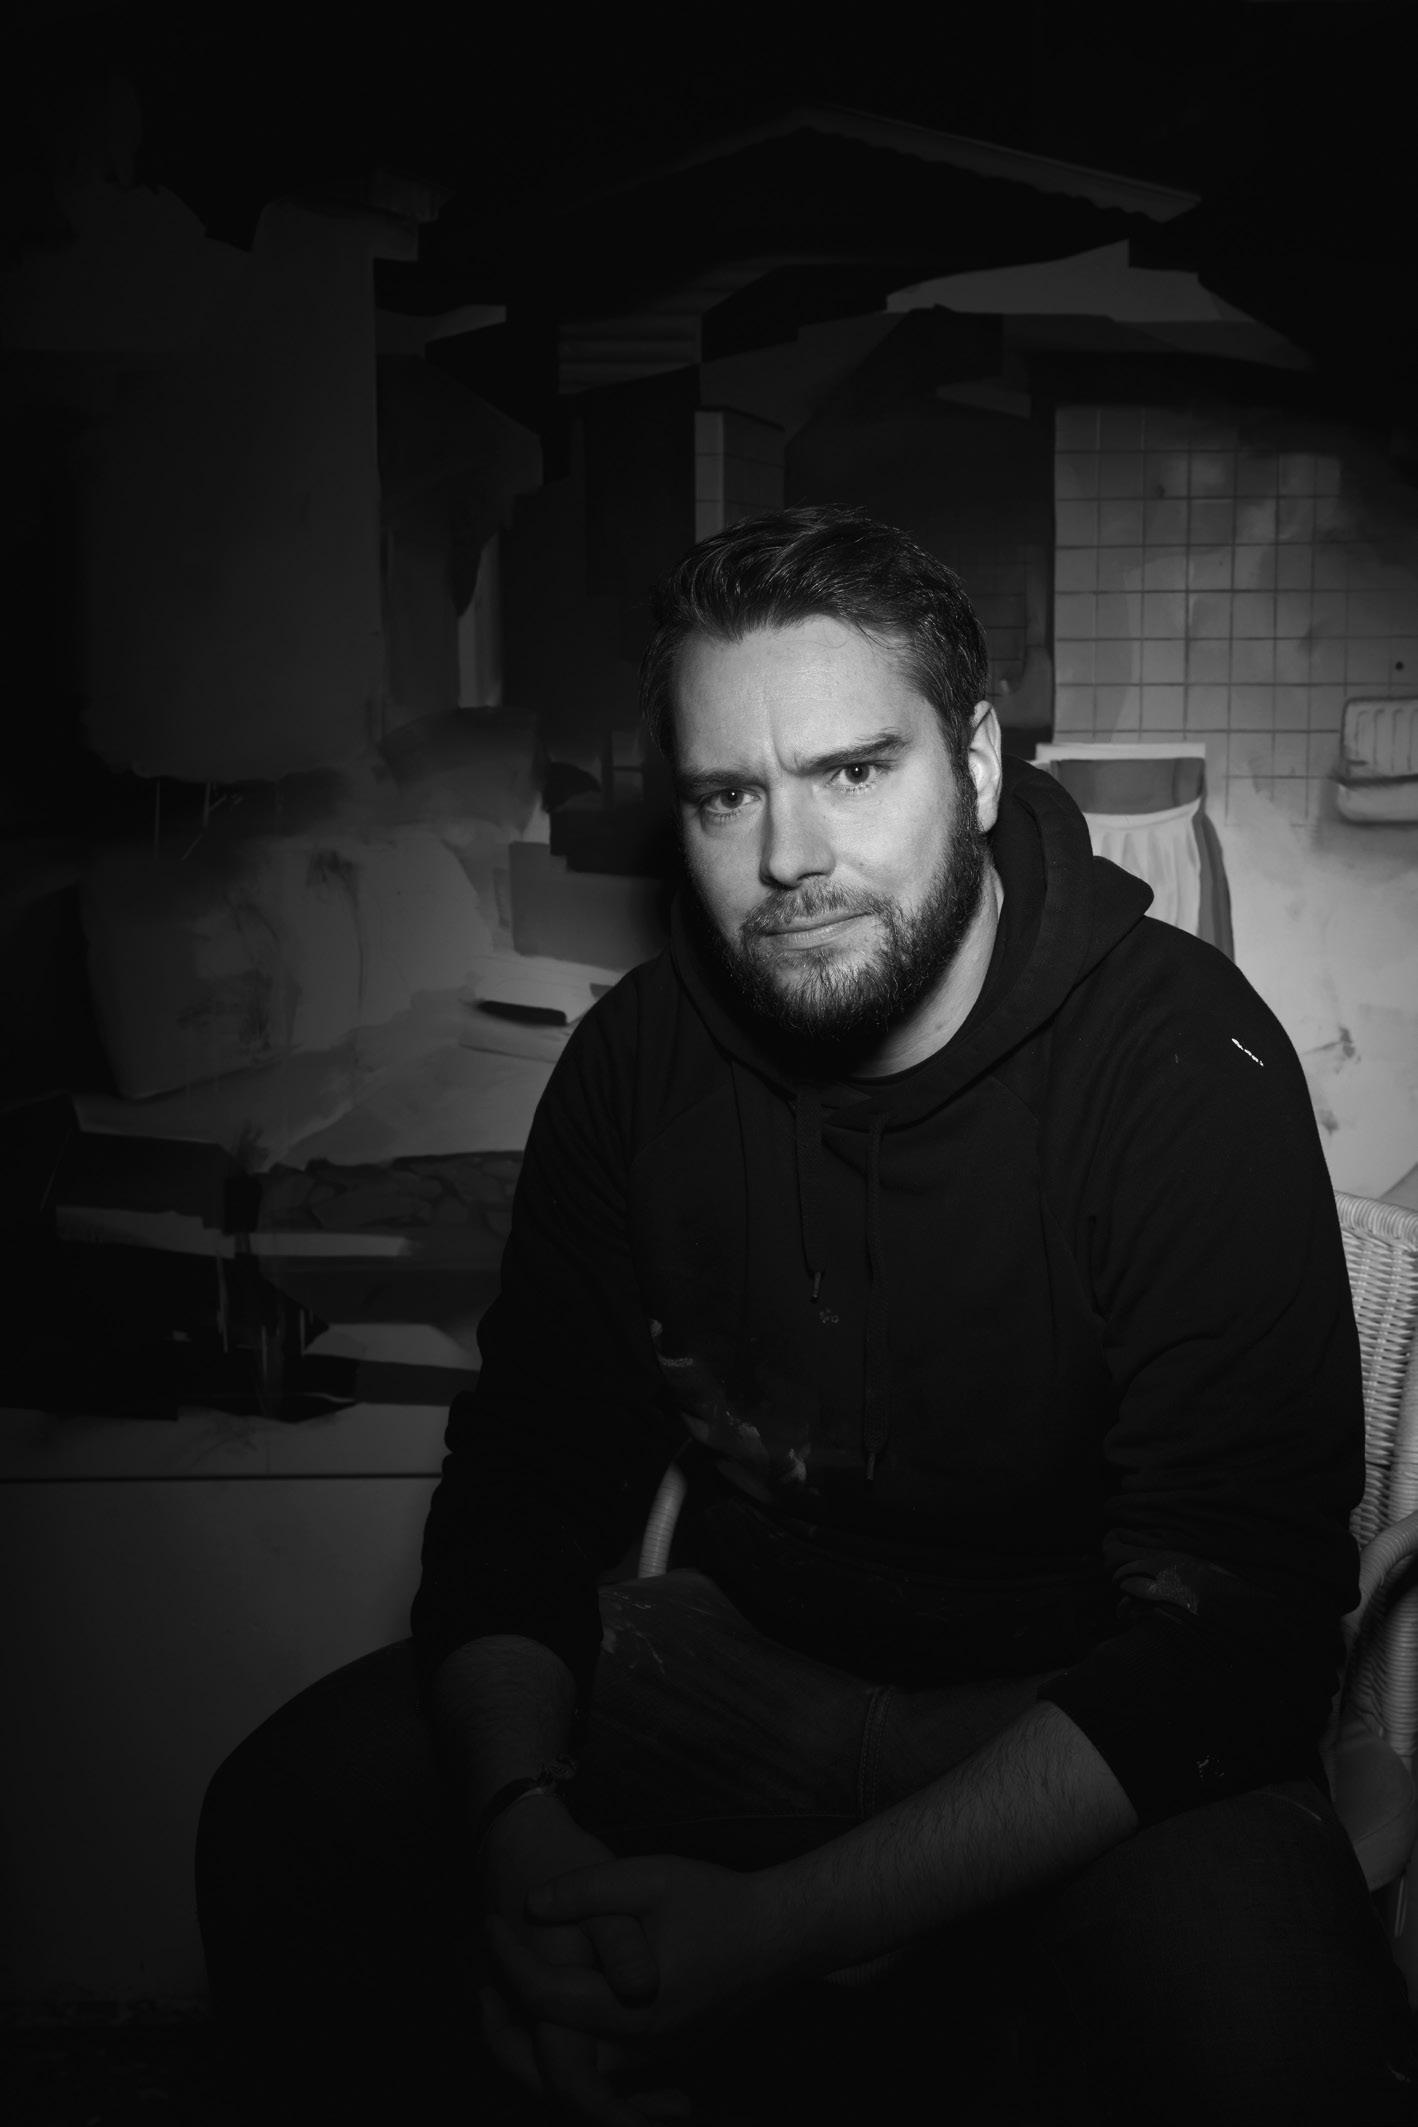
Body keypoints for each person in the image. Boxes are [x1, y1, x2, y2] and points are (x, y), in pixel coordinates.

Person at [197, 507, 1416, 2126]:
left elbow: (1232, 1641)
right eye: (728, 794)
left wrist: (776, 1932)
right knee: (293, 1815)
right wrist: (522, 1835)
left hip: (1076, 1697)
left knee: (1271, 2052)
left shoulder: (1182, 1063)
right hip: (740, 1663)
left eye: (850, 771)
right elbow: (522, 1488)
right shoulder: (637, 1064)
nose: (787, 859)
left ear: (972, 764)